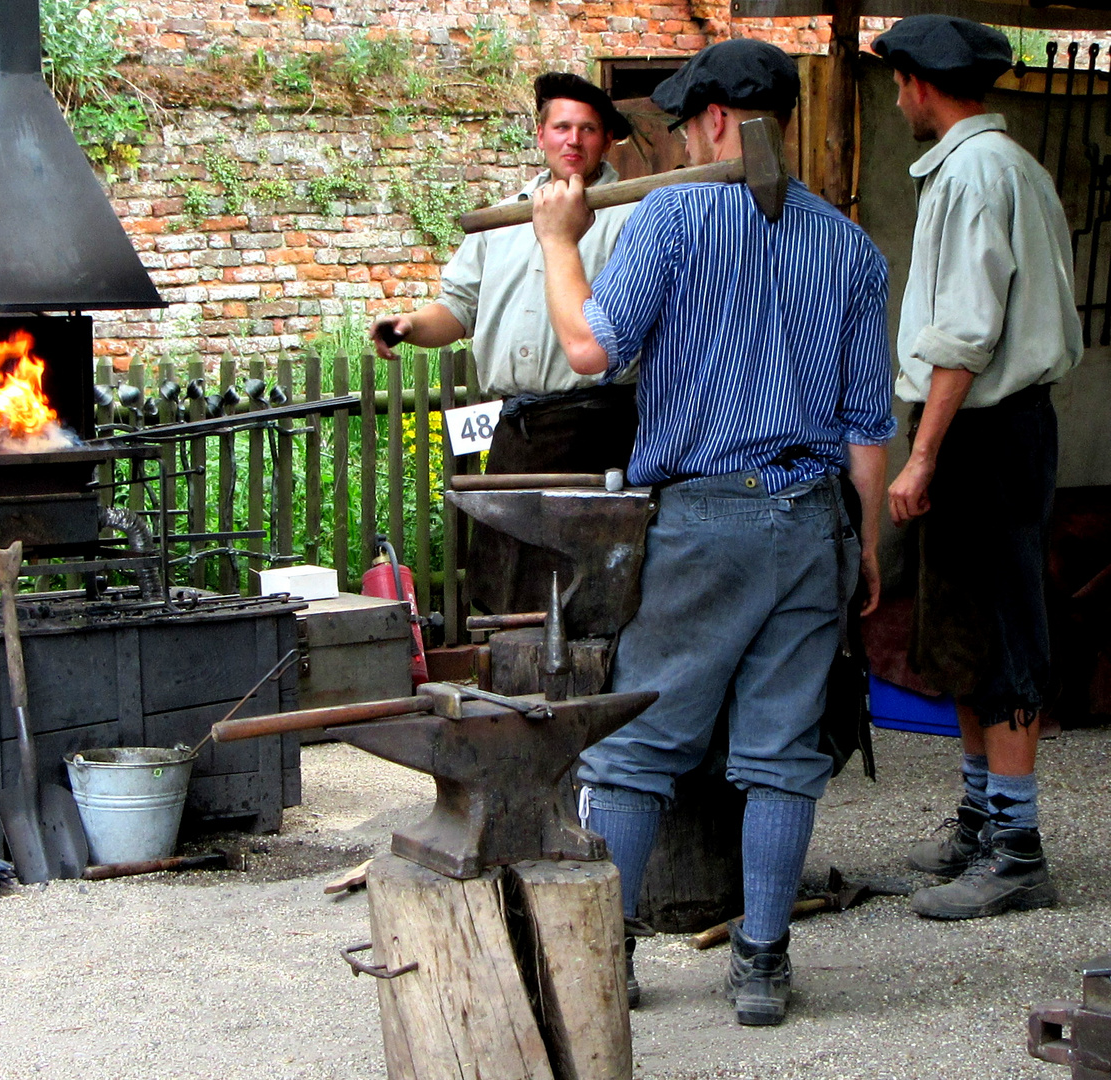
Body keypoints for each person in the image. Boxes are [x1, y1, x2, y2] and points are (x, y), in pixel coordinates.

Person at [529, 39, 896, 1026]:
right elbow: (868, 429)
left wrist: (558, 241)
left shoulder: (672, 215)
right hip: (811, 519)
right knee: (781, 752)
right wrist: (863, 544)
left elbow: (586, 347)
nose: (687, 138)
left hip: (702, 525)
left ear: (723, 121)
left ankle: (600, 959)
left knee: (640, 747)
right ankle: (760, 966)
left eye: (689, 123)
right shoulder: (850, 247)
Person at [874, 15, 1079, 921]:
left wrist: (922, 455)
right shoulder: (995, 168)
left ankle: (1019, 850)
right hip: (983, 426)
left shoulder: (977, 175)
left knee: (998, 632)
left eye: (897, 80)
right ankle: (982, 821)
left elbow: (966, 334)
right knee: (958, 629)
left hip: (985, 431)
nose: (895, 94)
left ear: (919, 83)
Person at [371, 73, 639, 615]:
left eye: (589, 129)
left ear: (607, 141)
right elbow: (458, 308)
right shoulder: (501, 220)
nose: (574, 140)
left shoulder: (637, 217)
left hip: (599, 427)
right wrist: (408, 325)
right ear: (540, 135)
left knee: (580, 594)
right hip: (515, 433)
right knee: (502, 589)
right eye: (562, 126)